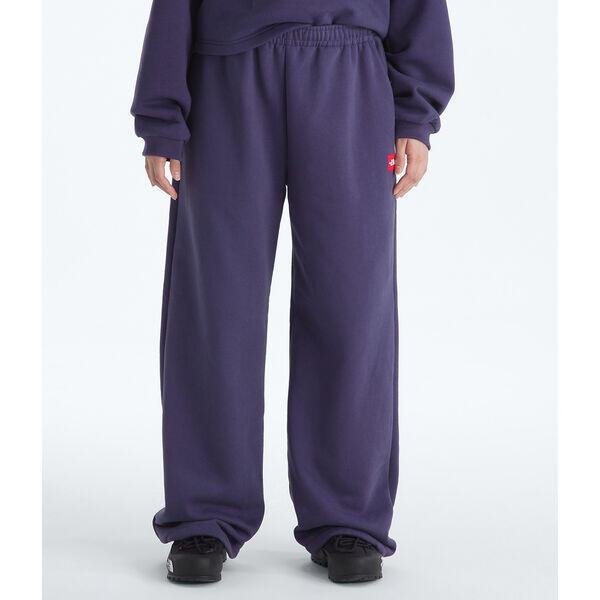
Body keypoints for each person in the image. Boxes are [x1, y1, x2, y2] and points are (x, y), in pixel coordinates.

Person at [131, 0, 454, 585]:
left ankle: (347, 515)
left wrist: (415, 115)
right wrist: (161, 113)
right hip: (225, 75)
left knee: (351, 305)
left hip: (352, 76)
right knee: (215, 305)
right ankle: (204, 512)